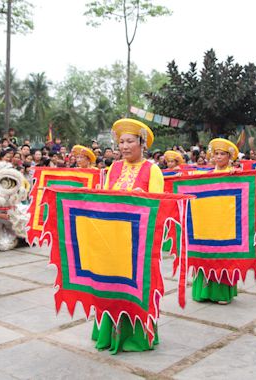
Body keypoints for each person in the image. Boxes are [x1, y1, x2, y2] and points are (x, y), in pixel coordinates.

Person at [93, 118, 163, 354]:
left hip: (138, 241)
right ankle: (108, 332)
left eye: (130, 141)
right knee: (109, 284)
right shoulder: (113, 168)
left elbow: (157, 204)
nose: (124, 146)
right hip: (112, 238)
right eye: (121, 142)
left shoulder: (152, 170)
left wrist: (139, 196)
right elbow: (103, 199)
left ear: (142, 143)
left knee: (135, 286)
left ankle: (136, 336)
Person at [192, 138, 240, 305]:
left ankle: (221, 293)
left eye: (222, 154)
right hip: (208, 220)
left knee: (223, 254)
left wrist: (235, 176)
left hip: (226, 221)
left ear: (230, 157)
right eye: (216, 154)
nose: (218, 157)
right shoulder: (207, 175)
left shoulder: (233, 173)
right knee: (205, 252)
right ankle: (203, 291)